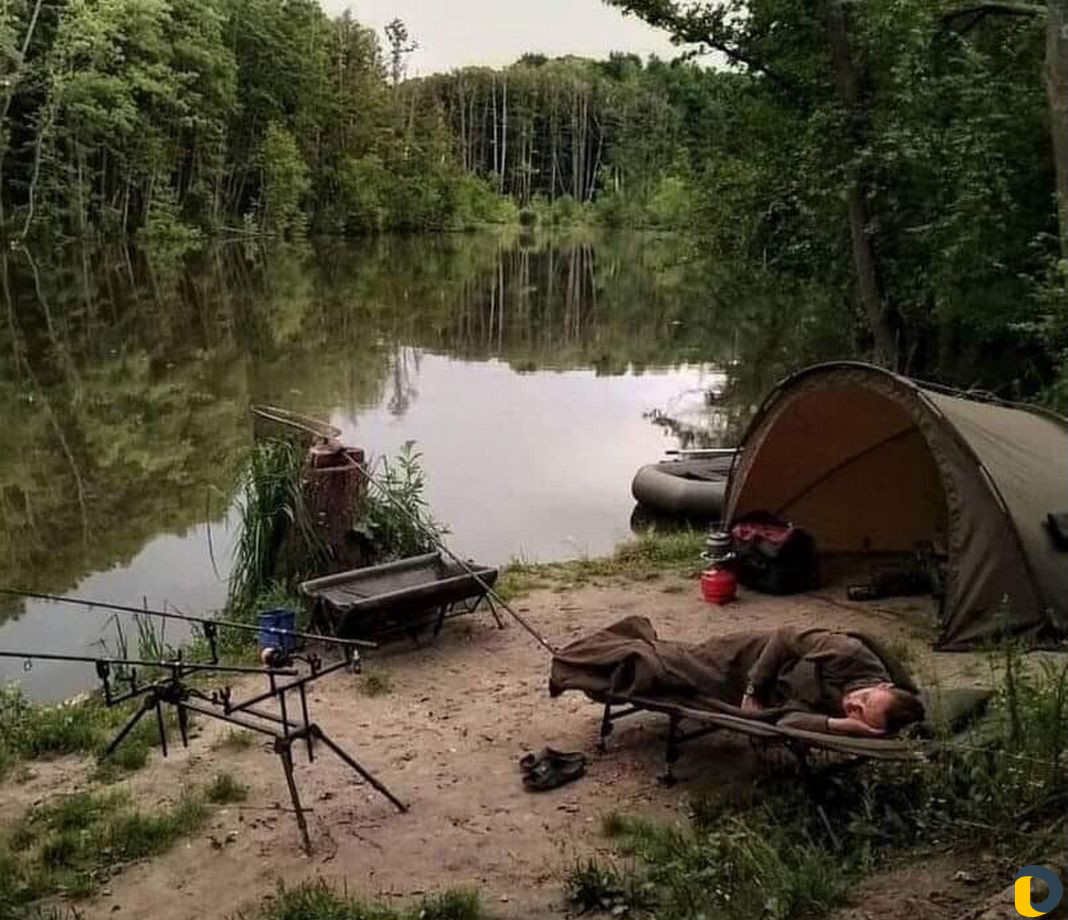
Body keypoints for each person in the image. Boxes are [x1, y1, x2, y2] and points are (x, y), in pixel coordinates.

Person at [549, 617, 925, 737]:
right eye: (866, 699)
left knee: (668, 675)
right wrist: (753, 687)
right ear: (883, 685)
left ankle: (603, 656)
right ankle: (573, 661)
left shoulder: (847, 715)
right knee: (658, 662)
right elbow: (784, 635)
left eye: (862, 715)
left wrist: (842, 725)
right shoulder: (848, 654)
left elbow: (787, 722)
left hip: (749, 696)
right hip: (747, 657)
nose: (854, 704)